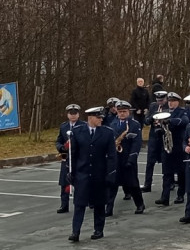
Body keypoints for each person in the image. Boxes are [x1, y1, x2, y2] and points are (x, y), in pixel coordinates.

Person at [68, 107, 117, 241]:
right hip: (82, 173)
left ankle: (98, 230)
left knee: (99, 204)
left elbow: (112, 156)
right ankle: (75, 232)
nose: (102, 119)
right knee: (79, 204)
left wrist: (111, 173)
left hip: (99, 174)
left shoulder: (107, 133)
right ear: (91, 118)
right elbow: (73, 154)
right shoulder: (77, 132)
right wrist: (71, 171)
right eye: (99, 117)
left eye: (101, 117)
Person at [108, 101, 146, 216]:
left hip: (128, 158)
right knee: (112, 185)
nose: (122, 114)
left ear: (128, 112)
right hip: (116, 159)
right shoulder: (112, 124)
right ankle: (108, 208)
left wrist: (132, 158)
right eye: (120, 112)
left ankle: (140, 204)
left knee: (133, 184)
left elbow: (137, 143)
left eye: (124, 111)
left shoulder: (134, 124)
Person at [156, 93, 189, 206]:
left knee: (181, 172)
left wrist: (170, 121)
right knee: (166, 173)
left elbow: (184, 121)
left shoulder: (182, 111)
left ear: (177, 102)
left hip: (178, 146)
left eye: (173, 101)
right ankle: (165, 197)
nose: (170, 102)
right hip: (167, 146)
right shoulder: (164, 112)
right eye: (169, 100)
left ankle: (180, 195)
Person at [54, 104, 85, 214]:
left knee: (82, 181)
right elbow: (58, 140)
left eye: (75, 114)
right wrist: (61, 147)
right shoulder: (64, 126)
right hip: (67, 158)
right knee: (64, 182)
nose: (73, 116)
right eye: (71, 114)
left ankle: (85, 201)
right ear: (67, 115)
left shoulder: (83, 126)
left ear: (78, 114)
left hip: (79, 158)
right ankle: (64, 205)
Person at [143, 90, 168, 193]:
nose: (159, 102)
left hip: (164, 135)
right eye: (158, 100)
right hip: (153, 136)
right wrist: (152, 117)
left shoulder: (168, 107)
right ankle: (147, 184)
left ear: (165, 99)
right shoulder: (153, 106)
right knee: (150, 162)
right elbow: (146, 120)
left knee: (165, 162)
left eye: (161, 100)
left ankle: (168, 184)